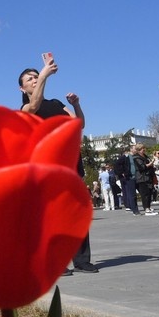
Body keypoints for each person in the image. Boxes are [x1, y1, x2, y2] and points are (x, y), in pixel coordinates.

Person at [18, 61, 99, 275]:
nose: (35, 80)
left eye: (37, 76)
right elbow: (34, 106)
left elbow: (78, 124)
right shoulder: (25, 109)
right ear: (22, 89)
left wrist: (76, 105)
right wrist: (44, 73)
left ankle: (82, 261)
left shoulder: (54, 103)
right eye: (30, 79)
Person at [131, 145, 158, 216]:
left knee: (149, 193)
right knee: (145, 194)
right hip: (142, 178)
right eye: (142, 149)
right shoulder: (136, 157)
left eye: (144, 148)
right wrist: (151, 163)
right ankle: (146, 209)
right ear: (138, 150)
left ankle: (148, 207)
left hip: (148, 176)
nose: (144, 150)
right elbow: (142, 167)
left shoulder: (145, 156)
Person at [115, 150, 139, 215]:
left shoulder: (134, 157)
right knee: (128, 192)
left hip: (131, 176)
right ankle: (130, 206)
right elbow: (117, 164)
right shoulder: (125, 157)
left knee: (128, 192)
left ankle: (130, 206)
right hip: (126, 177)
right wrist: (122, 173)